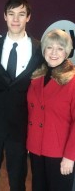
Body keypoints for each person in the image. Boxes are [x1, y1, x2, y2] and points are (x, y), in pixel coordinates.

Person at [0, 0, 43, 191]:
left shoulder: (39, 50)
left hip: (21, 124)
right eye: (11, 14)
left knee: (18, 177)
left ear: (28, 17)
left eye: (21, 14)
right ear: (5, 17)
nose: (16, 19)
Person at [27, 29, 75, 191]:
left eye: (60, 48)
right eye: (50, 47)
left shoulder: (73, 80)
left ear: (67, 52)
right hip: (36, 149)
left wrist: (70, 156)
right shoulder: (36, 76)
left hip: (60, 153)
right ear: (44, 50)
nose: (54, 52)